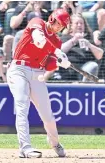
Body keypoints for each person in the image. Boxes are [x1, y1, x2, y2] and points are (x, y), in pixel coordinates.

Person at [6, 8, 71, 158]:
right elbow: (39, 41)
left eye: (62, 26)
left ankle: (55, 143)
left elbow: (47, 63)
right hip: (19, 69)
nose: (59, 28)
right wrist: (56, 53)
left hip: (37, 74)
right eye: (59, 24)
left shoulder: (57, 41)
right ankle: (25, 147)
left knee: (47, 116)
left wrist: (59, 63)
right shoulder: (37, 22)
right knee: (22, 106)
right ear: (52, 19)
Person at [59, 14, 104, 81]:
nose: (79, 25)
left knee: (93, 66)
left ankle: (84, 85)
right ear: (71, 26)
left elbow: (100, 55)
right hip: (70, 71)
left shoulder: (90, 38)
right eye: (77, 23)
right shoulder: (65, 38)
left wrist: (89, 45)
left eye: (81, 23)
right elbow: (60, 52)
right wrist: (74, 40)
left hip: (87, 70)